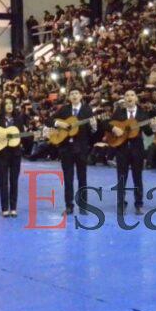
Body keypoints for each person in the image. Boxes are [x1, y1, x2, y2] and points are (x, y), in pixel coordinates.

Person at [49, 86, 94, 216]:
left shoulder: (87, 110)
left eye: (77, 93)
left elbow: (93, 131)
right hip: (66, 149)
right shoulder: (64, 109)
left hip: (81, 148)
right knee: (68, 179)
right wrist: (59, 124)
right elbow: (49, 120)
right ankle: (69, 206)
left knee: (82, 178)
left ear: (81, 96)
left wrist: (94, 127)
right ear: (69, 97)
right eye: (72, 93)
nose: (74, 95)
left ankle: (83, 206)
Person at [109, 89, 150, 215]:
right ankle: (121, 204)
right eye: (127, 95)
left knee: (138, 177)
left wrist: (153, 126)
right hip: (122, 149)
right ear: (124, 99)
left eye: (132, 95)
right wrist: (114, 128)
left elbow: (149, 132)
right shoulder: (118, 112)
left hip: (137, 149)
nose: (129, 97)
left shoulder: (143, 114)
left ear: (136, 98)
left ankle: (139, 204)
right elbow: (107, 124)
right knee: (121, 177)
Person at [0, 98, 26, 217]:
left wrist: (30, 137)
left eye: (11, 103)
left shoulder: (18, 119)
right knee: (3, 182)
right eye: (7, 103)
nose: (9, 106)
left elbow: (22, 136)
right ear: (3, 106)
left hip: (15, 154)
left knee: (14, 181)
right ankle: (5, 208)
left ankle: (13, 208)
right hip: (2, 154)